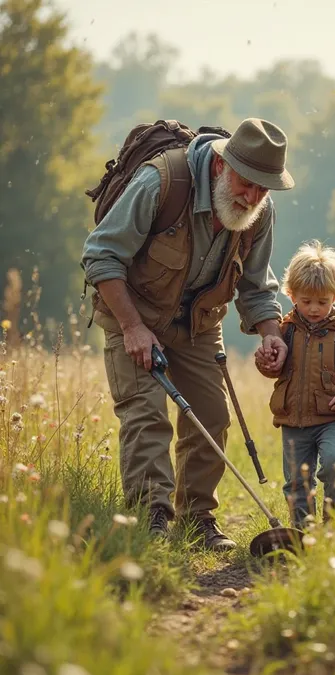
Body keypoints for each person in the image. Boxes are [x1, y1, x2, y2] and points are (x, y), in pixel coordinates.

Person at [81, 118, 294, 550]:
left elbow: (256, 286)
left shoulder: (258, 213)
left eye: (262, 188)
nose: (251, 196)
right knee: (146, 415)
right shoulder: (161, 181)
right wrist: (133, 327)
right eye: (245, 182)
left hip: (197, 324)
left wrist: (271, 334)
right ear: (221, 166)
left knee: (212, 416)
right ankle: (152, 519)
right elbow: (100, 255)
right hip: (132, 315)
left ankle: (198, 521)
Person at [255, 240, 335, 527]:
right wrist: (265, 362)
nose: (315, 309)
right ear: (291, 294)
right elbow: (274, 369)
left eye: (323, 301)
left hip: (332, 419)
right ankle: (302, 532)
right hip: (293, 421)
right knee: (297, 481)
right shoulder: (285, 331)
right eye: (306, 301)